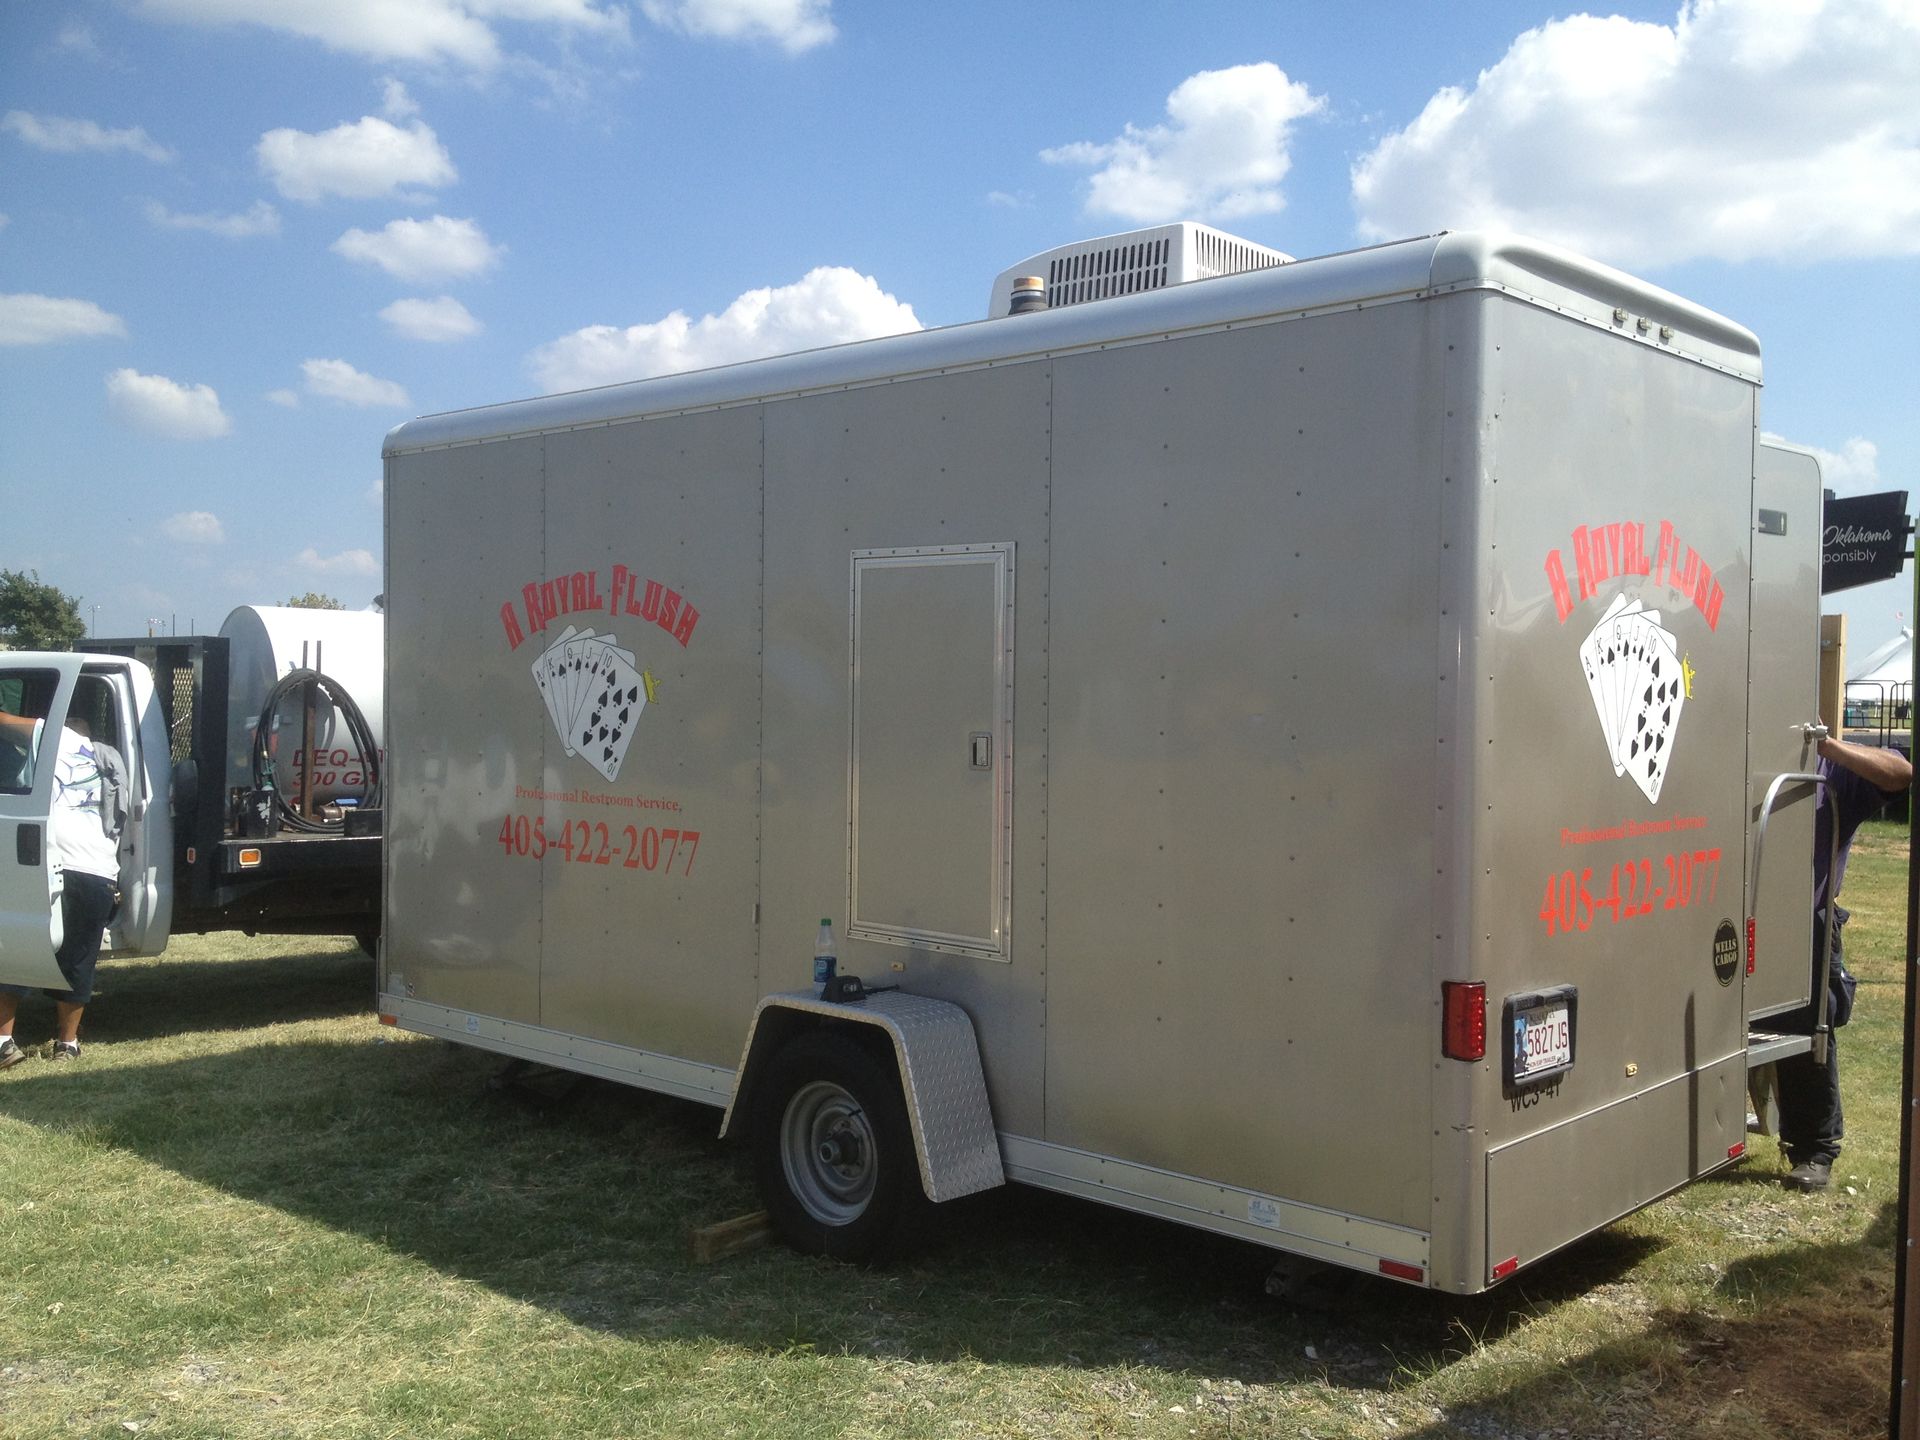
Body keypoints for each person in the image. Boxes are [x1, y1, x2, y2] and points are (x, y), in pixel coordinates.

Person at [1773, 731, 1913, 1190]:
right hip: (1736, 911)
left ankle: (1815, 1149)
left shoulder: (1831, 768)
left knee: (1809, 1024)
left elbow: (1901, 773)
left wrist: (1828, 746)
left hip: (1808, 921)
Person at [0, 689, 126, 1069]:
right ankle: (66, 1044)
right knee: (79, 957)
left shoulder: (53, 736)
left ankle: (4, 1042)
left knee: (18, 951)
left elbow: (4, 722)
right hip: (98, 868)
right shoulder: (109, 758)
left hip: (47, 861)